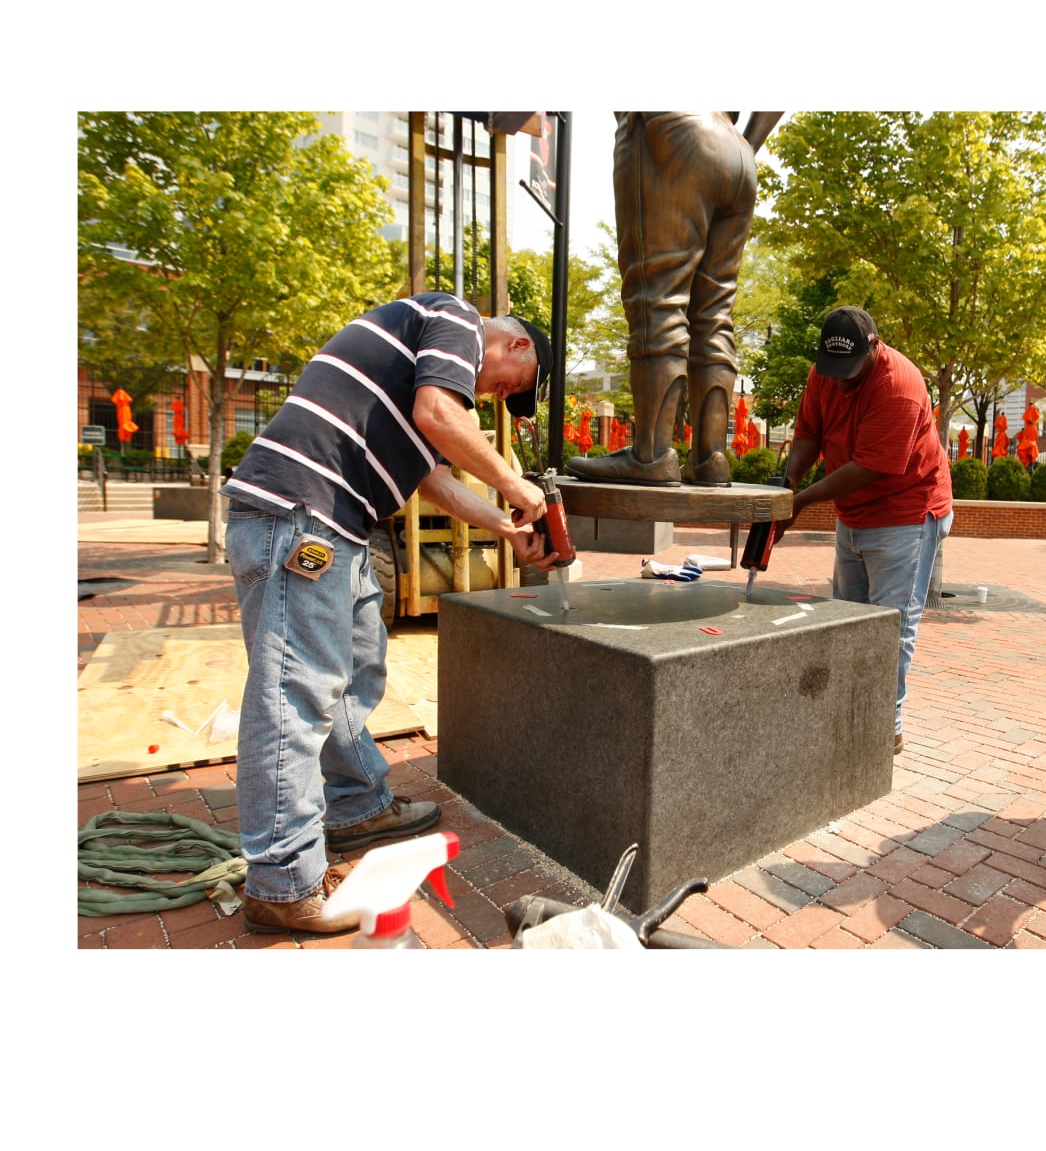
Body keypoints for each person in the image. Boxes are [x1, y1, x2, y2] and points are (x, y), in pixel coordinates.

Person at [219, 292, 554, 933]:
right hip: (300, 515)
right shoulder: (454, 318)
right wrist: (515, 484)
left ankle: (355, 805)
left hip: (336, 524)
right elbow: (439, 414)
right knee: (295, 695)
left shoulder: (422, 379)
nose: (495, 396)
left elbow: (436, 480)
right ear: (515, 344)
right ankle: (282, 881)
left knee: (356, 669)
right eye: (511, 384)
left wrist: (508, 528)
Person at [781, 306, 954, 753]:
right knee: (847, 617)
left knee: (888, 625)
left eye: (850, 371)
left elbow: (871, 467)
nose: (840, 381)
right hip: (853, 514)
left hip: (906, 514)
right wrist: (787, 485)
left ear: (874, 347)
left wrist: (801, 502)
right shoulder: (825, 373)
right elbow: (808, 434)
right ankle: (849, 713)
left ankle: (883, 728)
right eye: (833, 370)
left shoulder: (899, 386)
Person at [567, 111, 759, 487]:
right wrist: (748, 143)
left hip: (669, 126)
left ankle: (650, 456)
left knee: (657, 298)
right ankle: (710, 458)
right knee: (715, 311)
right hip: (737, 149)